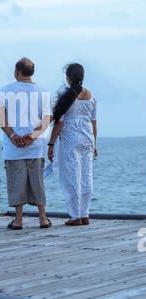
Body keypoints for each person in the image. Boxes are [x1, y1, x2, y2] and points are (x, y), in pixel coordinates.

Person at [0, 57, 52, 230]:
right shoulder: (43, 92)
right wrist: (32, 136)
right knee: (37, 183)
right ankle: (43, 218)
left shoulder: (4, 91)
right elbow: (47, 118)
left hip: (13, 148)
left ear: (17, 72)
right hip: (35, 147)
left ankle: (18, 220)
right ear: (32, 72)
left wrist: (13, 136)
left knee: (16, 182)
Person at [48, 63, 98, 226]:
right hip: (88, 139)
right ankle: (85, 214)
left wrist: (51, 143)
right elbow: (94, 122)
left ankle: (75, 215)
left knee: (72, 177)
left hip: (71, 140)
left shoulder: (66, 96)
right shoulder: (91, 96)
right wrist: (95, 144)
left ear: (68, 78)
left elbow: (59, 124)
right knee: (87, 177)